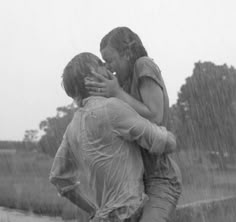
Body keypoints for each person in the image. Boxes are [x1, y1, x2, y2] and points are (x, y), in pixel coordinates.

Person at [49, 52, 177, 222]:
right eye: (102, 64)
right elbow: (165, 142)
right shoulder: (113, 108)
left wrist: (94, 210)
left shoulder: (72, 128)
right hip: (129, 213)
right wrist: (169, 136)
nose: (108, 68)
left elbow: (58, 179)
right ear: (91, 77)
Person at [85, 27, 182, 222]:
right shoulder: (123, 84)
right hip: (135, 184)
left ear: (127, 54)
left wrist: (117, 93)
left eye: (110, 60)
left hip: (160, 178)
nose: (109, 67)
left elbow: (155, 116)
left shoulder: (143, 65)